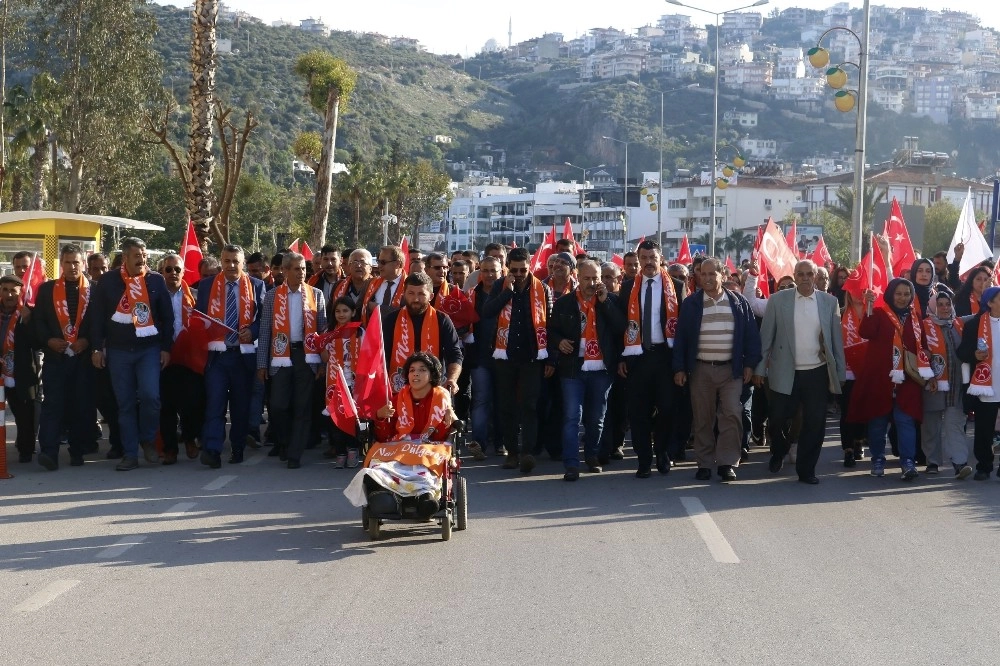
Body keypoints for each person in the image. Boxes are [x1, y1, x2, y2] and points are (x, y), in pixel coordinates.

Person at [755, 260, 846, 484]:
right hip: (785, 371)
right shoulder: (778, 301)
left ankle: (806, 470)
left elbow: (836, 341)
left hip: (816, 372)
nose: (805, 278)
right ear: (794, 276)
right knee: (777, 418)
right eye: (801, 274)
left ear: (816, 277)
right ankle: (779, 449)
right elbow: (765, 338)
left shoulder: (829, 302)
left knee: (815, 423)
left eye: (809, 274)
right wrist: (759, 369)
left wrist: (840, 373)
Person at [90, 237, 174, 471]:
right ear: (124, 258)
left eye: (145, 255)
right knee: (125, 404)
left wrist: (166, 348)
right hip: (118, 352)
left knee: (150, 397)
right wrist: (97, 348)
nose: (142, 259)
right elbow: (96, 318)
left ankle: (147, 438)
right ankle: (130, 454)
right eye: (137, 255)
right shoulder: (107, 282)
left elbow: (168, 319)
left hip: (149, 350)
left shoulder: (156, 281)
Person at [674, 257, 761, 482]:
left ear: (723, 275)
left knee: (732, 414)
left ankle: (727, 463)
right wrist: (680, 368)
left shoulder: (739, 302)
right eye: (703, 274)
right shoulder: (692, 304)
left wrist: (750, 364)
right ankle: (704, 463)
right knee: (703, 418)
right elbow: (681, 339)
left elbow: (752, 337)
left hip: (731, 371)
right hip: (700, 370)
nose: (708, 278)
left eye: (713, 274)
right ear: (698, 276)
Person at [547, 259, 625, 481]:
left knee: (596, 417)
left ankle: (592, 455)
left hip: (601, 368)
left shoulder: (610, 300)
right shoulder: (564, 303)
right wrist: (559, 341)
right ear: (577, 277)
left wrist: (605, 303)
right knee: (572, 416)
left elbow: (621, 328)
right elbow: (551, 330)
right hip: (573, 367)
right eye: (587, 278)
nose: (592, 283)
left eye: (596, 278)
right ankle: (571, 463)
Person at [618, 240, 686, 478]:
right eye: (643, 259)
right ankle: (644, 459)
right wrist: (622, 358)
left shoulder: (677, 286)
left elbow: (683, 328)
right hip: (638, 357)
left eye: (652, 258)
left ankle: (663, 452)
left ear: (660, 260)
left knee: (667, 408)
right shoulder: (627, 288)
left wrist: (680, 364)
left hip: (665, 357)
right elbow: (621, 326)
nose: (648, 263)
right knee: (638, 412)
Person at [483, 247, 553, 474]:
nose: (520, 274)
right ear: (508, 269)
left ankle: (528, 452)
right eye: (515, 270)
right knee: (507, 406)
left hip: (532, 357)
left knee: (530, 406)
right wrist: (507, 293)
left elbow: (549, 324)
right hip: (505, 356)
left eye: (524, 270)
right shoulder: (499, 286)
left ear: (530, 267)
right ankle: (512, 452)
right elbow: (487, 311)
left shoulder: (542, 288)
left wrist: (550, 358)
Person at [850, 279, 929, 480]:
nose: (902, 298)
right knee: (878, 421)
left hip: (908, 378)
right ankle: (877, 459)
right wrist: (867, 307)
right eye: (898, 294)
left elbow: (924, 345)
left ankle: (908, 462)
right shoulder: (878, 313)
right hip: (881, 377)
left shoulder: (916, 318)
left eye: (906, 294)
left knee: (905, 420)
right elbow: (865, 332)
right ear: (890, 294)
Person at [195, 244, 265, 468]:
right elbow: (198, 316)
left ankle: (237, 447)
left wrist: (251, 331)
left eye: (236, 261)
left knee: (240, 406)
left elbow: (264, 319)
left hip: (243, 355)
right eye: (227, 261)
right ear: (221, 262)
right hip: (217, 356)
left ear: (243, 263)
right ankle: (212, 450)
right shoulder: (206, 286)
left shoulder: (257, 285)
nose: (231, 265)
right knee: (214, 404)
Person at [256, 251, 327, 469]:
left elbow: (322, 330)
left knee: (302, 406)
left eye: (304, 269)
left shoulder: (315, 295)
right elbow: (265, 330)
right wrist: (262, 364)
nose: (301, 273)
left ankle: (295, 453)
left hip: (306, 356)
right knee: (277, 405)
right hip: (280, 356)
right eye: (296, 269)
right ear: (285, 271)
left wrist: (323, 363)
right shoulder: (272, 295)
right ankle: (284, 442)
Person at [382, 272, 462, 395]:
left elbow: (455, 354)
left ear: (431, 296)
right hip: (398, 388)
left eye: (421, 294)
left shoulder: (442, 319)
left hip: (433, 389)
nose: (415, 299)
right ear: (404, 294)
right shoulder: (391, 319)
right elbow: (381, 355)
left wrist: (452, 379)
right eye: (411, 293)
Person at [158, 252, 205, 464]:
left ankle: (189, 439)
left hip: (189, 357)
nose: (173, 273)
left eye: (177, 269)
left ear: (183, 271)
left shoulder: (194, 295)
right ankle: (170, 448)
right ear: (162, 272)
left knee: (192, 402)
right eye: (168, 269)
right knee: (166, 405)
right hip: (163, 356)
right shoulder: (154, 295)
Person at [922, 292, 973, 478]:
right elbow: (919, 351)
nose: (944, 308)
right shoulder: (924, 326)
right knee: (931, 425)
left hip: (956, 386)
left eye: (947, 304)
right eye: (940, 304)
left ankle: (960, 463)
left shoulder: (958, 323)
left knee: (955, 425)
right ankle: (932, 462)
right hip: (933, 385)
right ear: (933, 307)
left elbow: (982, 315)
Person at [958, 286, 1000, 480]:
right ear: (990, 303)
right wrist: (973, 354)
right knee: (984, 428)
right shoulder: (975, 325)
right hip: (986, 385)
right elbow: (962, 353)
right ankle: (984, 465)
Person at [465, 256, 504, 460]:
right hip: (480, 357)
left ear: (501, 272)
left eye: (493, 271)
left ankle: (500, 442)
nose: (489, 275)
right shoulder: (472, 295)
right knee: (481, 399)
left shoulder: (509, 295)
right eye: (486, 271)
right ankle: (478, 443)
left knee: (502, 401)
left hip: (504, 357)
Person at [0, 275, 40, 463]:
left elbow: (38, 343)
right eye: (5, 290)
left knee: (24, 414)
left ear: (20, 293)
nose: (9, 294)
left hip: (21, 372)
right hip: (1, 370)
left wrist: (29, 321)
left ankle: (25, 450)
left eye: (13, 291)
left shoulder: (28, 313)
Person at [321, 296, 364, 468]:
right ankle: (340, 451)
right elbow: (324, 357)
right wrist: (322, 345)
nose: (341, 314)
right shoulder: (329, 330)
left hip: (354, 381)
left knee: (352, 417)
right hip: (334, 380)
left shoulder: (360, 331)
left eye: (345, 310)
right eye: (338, 311)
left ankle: (353, 449)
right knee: (335, 417)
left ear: (353, 312)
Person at [598, 261, 628, 463]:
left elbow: (623, 328)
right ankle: (604, 446)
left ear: (619, 279)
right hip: (599, 361)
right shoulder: (592, 299)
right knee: (602, 407)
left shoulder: (624, 300)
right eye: (604, 277)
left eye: (611, 277)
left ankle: (617, 443)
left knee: (620, 406)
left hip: (622, 361)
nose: (606, 281)